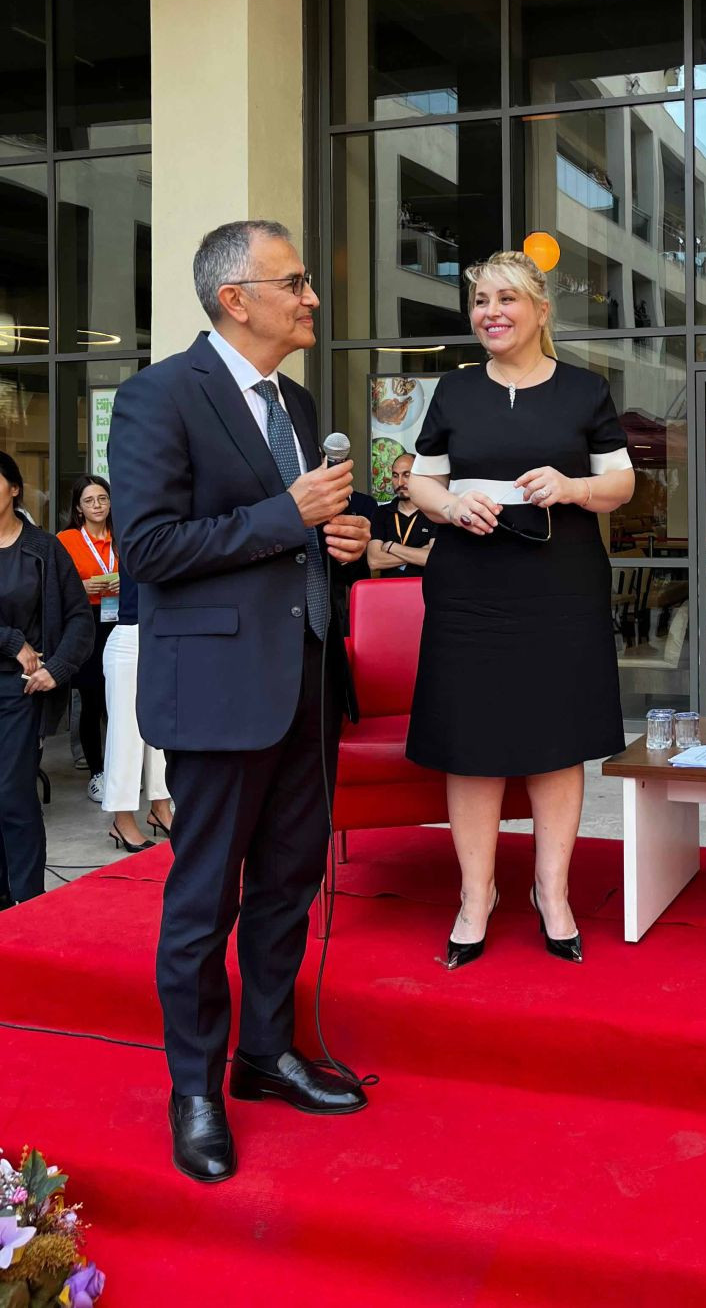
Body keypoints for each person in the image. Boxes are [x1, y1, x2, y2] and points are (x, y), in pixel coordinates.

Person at [108, 219, 372, 1186]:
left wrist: (336, 545)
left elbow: (292, 540)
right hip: (218, 695)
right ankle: (194, 1089)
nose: (310, 296)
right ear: (236, 298)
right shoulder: (157, 396)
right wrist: (286, 518)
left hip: (304, 685)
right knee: (204, 899)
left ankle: (265, 1053)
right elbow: (147, 549)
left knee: (289, 885)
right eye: (293, 282)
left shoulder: (297, 403)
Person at [405, 250, 634, 968]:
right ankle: (477, 896)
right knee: (471, 743)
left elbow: (622, 483)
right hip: (468, 588)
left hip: (559, 585)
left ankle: (551, 890)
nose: (491, 311)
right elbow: (416, 480)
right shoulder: (453, 391)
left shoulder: (585, 390)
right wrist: (449, 503)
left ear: (540, 310)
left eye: (507, 298)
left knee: (555, 740)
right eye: (479, 300)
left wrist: (571, 489)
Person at [0, 453, 93, 908]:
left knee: (13, 794)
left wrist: (56, 668)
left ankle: (29, 903)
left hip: (19, 689)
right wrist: (11, 639)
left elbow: (79, 618)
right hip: (11, 660)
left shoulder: (44, 549)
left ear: (15, 489)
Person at [57, 475, 118, 804]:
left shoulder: (121, 536)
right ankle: (97, 771)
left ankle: (119, 768)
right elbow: (53, 586)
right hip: (85, 623)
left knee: (119, 700)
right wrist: (82, 589)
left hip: (120, 621)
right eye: (89, 501)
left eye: (103, 499)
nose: (97, 506)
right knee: (93, 699)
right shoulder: (66, 540)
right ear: (78, 509)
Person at [100, 567, 171, 853]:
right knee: (126, 735)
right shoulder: (138, 528)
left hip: (165, 630)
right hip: (132, 634)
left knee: (163, 732)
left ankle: (161, 809)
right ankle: (122, 820)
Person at [367, 452, 434, 578]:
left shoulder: (433, 513)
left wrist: (392, 547)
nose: (399, 482)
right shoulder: (381, 513)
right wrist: (420, 553)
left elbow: (433, 559)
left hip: (424, 592)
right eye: (395, 475)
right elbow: (374, 561)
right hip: (389, 592)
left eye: (406, 475)